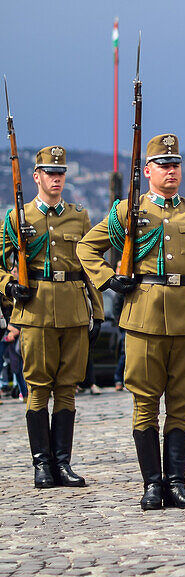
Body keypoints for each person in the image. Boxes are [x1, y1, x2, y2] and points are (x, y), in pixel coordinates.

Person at [78, 134, 185, 510]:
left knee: (182, 403)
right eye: (163, 165)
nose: (171, 171)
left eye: (176, 165)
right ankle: (152, 484)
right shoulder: (129, 211)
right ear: (147, 171)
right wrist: (109, 279)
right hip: (143, 316)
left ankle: (176, 483)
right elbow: (86, 248)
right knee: (145, 403)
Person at [0, 146, 104, 488]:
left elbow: (88, 267)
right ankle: (41, 464)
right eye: (49, 173)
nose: (56, 178)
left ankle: (63, 463)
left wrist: (97, 311)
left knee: (68, 389)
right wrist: (10, 288)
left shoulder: (79, 216)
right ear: (36, 177)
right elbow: (0, 266)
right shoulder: (17, 217)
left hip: (73, 309)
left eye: (60, 173)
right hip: (36, 311)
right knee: (38, 389)